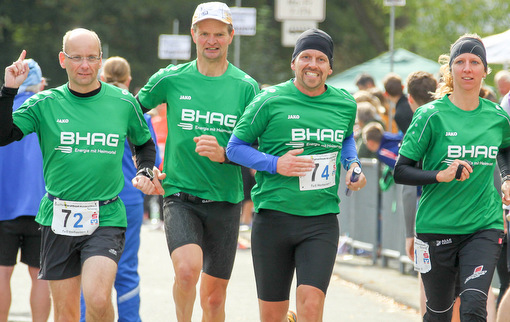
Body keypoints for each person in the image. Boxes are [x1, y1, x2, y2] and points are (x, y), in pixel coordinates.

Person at [0, 28, 160, 322]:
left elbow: (144, 143)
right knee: (66, 313)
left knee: (98, 298)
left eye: (91, 57)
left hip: (106, 216)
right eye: (76, 58)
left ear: (101, 60)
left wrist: (146, 171)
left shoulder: (124, 102)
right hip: (57, 216)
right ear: (63, 60)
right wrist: (9, 90)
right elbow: (3, 134)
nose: (84, 65)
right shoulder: (44, 103)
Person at [227, 28, 367, 322]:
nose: (312, 64)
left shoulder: (345, 103)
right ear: (294, 63)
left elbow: (345, 139)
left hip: (321, 219)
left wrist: (352, 165)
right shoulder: (270, 99)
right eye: (305, 57)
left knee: (311, 305)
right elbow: (235, 148)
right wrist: (275, 164)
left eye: (320, 58)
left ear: (330, 67)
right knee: (272, 316)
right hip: (273, 218)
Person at [136, 2, 260, 321]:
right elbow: (131, 116)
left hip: (225, 200)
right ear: (194, 35)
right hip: (180, 195)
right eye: (204, 33)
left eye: (219, 33)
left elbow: (257, 146)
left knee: (215, 299)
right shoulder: (171, 79)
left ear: (231, 36)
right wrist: (145, 164)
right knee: (187, 272)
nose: (211, 40)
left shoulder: (246, 87)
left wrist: (225, 154)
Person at [394, 34, 510, 321]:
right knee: (439, 313)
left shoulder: (497, 117)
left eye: (474, 62)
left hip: (483, 227)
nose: (467, 69)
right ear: (450, 70)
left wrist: (507, 177)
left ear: (485, 70)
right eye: (460, 62)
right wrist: (440, 175)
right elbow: (401, 170)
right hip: (437, 226)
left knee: (473, 307)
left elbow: (506, 149)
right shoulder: (430, 116)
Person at [78, 56, 162, 322]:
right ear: (129, 81)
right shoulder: (136, 111)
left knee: (88, 269)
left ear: (101, 78)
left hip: (94, 197)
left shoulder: (95, 108)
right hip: (130, 199)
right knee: (125, 269)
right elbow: (153, 161)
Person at [0, 58, 51, 322]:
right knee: (41, 275)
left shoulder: (3, 112)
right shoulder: (45, 111)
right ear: (40, 83)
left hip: (3, 205)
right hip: (41, 207)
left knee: (2, 274)